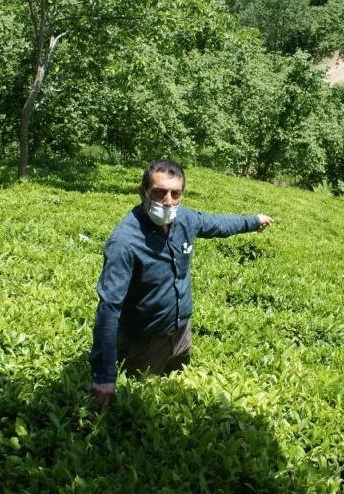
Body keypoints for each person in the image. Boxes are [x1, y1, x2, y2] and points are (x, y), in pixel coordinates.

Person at [90, 159, 274, 409]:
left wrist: (253, 221)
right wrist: (104, 375)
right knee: (142, 404)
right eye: (159, 192)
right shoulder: (124, 241)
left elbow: (218, 224)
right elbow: (109, 308)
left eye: (175, 193)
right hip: (144, 341)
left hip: (180, 332)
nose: (168, 201)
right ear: (142, 192)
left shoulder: (184, 219)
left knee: (177, 394)